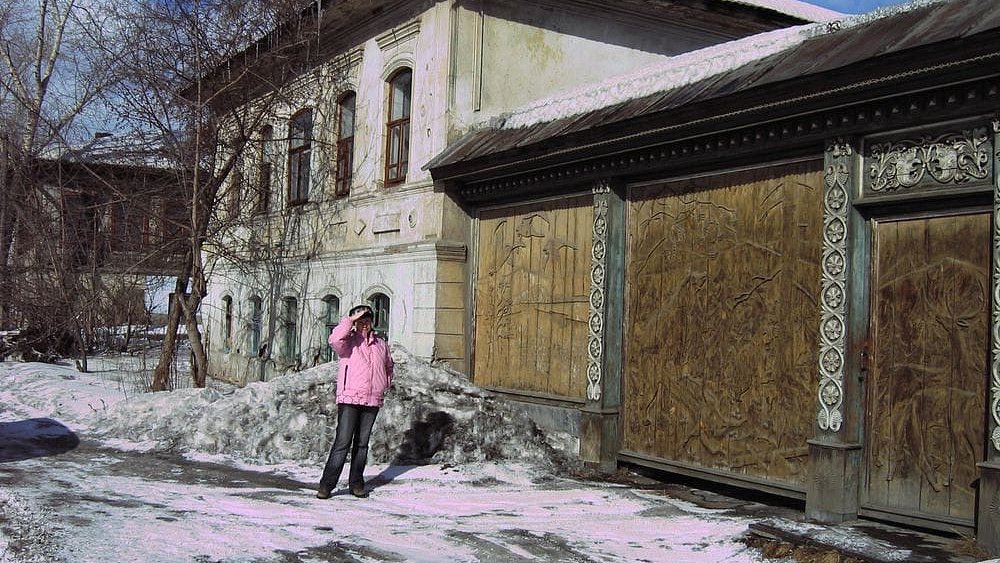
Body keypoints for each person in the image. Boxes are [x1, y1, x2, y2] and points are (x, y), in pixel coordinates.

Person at [317, 304, 394, 499]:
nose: (365, 324)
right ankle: (326, 485)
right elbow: (333, 339)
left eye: (367, 320)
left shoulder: (380, 345)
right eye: (361, 321)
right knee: (342, 442)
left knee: (362, 444)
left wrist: (384, 384)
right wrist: (350, 320)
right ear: (355, 323)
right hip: (350, 398)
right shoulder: (348, 342)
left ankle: (357, 484)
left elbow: (388, 366)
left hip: (372, 399)